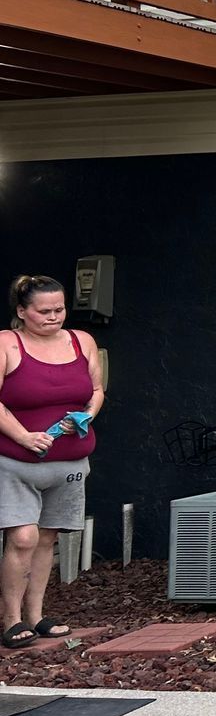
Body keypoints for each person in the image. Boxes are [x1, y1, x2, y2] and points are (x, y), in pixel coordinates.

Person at [0, 275, 104, 648]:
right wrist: (23, 436)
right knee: (23, 537)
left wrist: (87, 415)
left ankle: (36, 615)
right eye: (44, 311)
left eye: (59, 309)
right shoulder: (6, 343)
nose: (53, 316)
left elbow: (96, 389)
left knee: (46, 538)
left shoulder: (82, 341)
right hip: (15, 461)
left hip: (70, 462)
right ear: (21, 311)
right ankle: (11, 620)